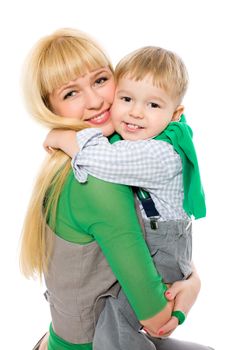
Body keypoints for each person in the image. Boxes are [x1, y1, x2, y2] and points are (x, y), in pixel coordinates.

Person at [19, 28, 209, 350]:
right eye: (71, 93)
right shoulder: (96, 178)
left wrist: (193, 278)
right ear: (50, 108)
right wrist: (191, 289)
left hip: (63, 335)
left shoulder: (96, 154)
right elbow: (156, 319)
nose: (95, 101)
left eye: (100, 80)